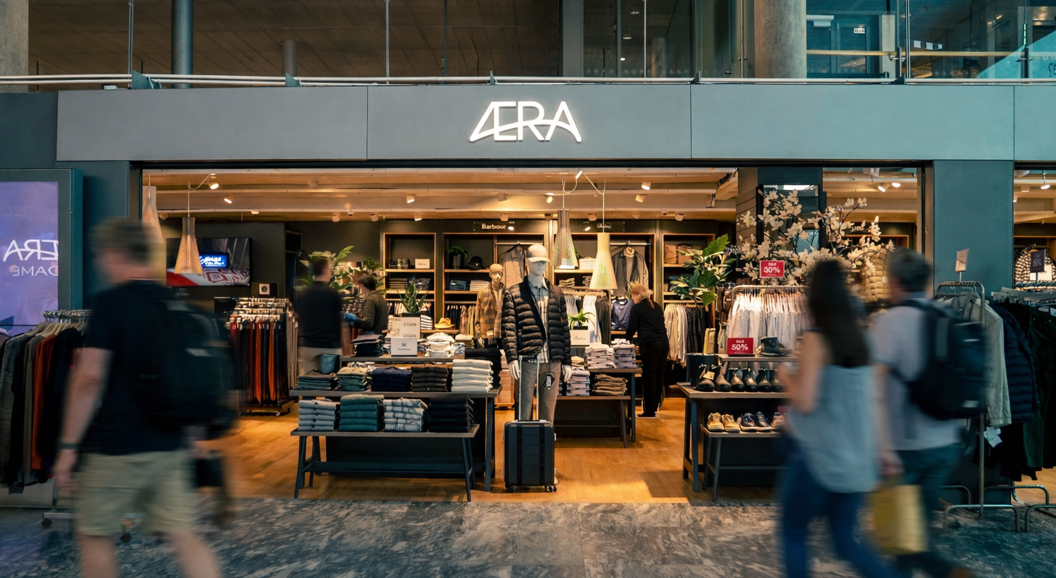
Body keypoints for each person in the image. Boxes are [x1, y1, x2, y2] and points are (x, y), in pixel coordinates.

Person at [52, 218, 221, 578]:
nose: (101, 263)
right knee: (185, 537)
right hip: (170, 445)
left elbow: (89, 379)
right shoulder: (173, 302)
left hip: (116, 447)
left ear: (115, 255)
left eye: (102, 255)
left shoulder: (112, 304)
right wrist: (192, 438)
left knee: (94, 535)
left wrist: (67, 448)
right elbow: (186, 377)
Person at [776, 259, 894, 578]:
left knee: (793, 532)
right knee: (845, 541)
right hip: (858, 459)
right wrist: (885, 452)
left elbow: (805, 401)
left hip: (818, 456)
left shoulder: (817, 340)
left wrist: (785, 374)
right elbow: (877, 401)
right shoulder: (866, 341)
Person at [872, 248, 976, 578]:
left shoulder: (890, 322)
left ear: (896, 281)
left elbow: (876, 390)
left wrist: (883, 449)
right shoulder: (945, 314)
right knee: (912, 535)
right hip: (946, 442)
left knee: (902, 540)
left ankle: (947, 572)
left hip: (907, 448)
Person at [500, 244, 573, 425]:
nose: (541, 264)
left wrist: (567, 360)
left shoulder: (557, 292)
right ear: (527, 263)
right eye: (536, 261)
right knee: (523, 409)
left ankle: (544, 446)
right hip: (527, 360)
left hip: (552, 361)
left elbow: (564, 328)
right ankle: (523, 446)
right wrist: (512, 357)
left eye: (544, 261)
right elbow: (508, 328)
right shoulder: (514, 293)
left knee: (548, 410)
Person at [625, 284, 669, 418]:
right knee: (659, 376)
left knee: (649, 377)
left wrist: (623, 341)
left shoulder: (637, 308)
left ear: (635, 295)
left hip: (649, 345)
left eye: (632, 296)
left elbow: (631, 328)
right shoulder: (657, 306)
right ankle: (654, 407)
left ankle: (649, 411)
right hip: (663, 344)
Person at [295, 257, 344, 375]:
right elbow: (338, 322)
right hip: (329, 346)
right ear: (326, 270)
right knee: (330, 384)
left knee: (309, 384)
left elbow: (299, 320)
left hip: (307, 346)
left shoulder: (303, 294)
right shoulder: (332, 293)